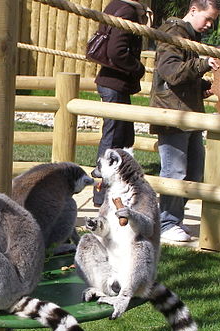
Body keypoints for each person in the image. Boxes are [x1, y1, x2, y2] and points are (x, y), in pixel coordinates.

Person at [148, 0, 220, 242]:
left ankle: (173, 218)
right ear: (193, 10)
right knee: (175, 171)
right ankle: (167, 222)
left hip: (189, 114)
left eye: (213, 20)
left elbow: (180, 77)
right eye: (207, 18)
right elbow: (171, 72)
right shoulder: (173, 32)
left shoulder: (191, 36)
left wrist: (202, 86)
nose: (210, 25)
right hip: (172, 115)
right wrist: (202, 65)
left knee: (194, 174)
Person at [92, 0, 148, 206]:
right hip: (115, 83)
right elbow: (116, 51)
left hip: (114, 83)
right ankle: (102, 195)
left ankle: (112, 193)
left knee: (121, 136)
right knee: (114, 138)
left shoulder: (115, 5)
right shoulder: (127, 11)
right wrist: (137, 68)